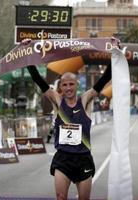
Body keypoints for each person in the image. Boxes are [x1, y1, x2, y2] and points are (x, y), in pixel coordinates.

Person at [27, 63, 111, 199]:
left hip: (83, 159)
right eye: (65, 85)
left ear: (77, 85)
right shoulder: (57, 101)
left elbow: (105, 78)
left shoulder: (85, 101)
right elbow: (38, 80)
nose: (68, 88)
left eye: (71, 84)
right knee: (60, 197)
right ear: (60, 87)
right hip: (63, 159)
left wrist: (115, 53)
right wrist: (29, 59)